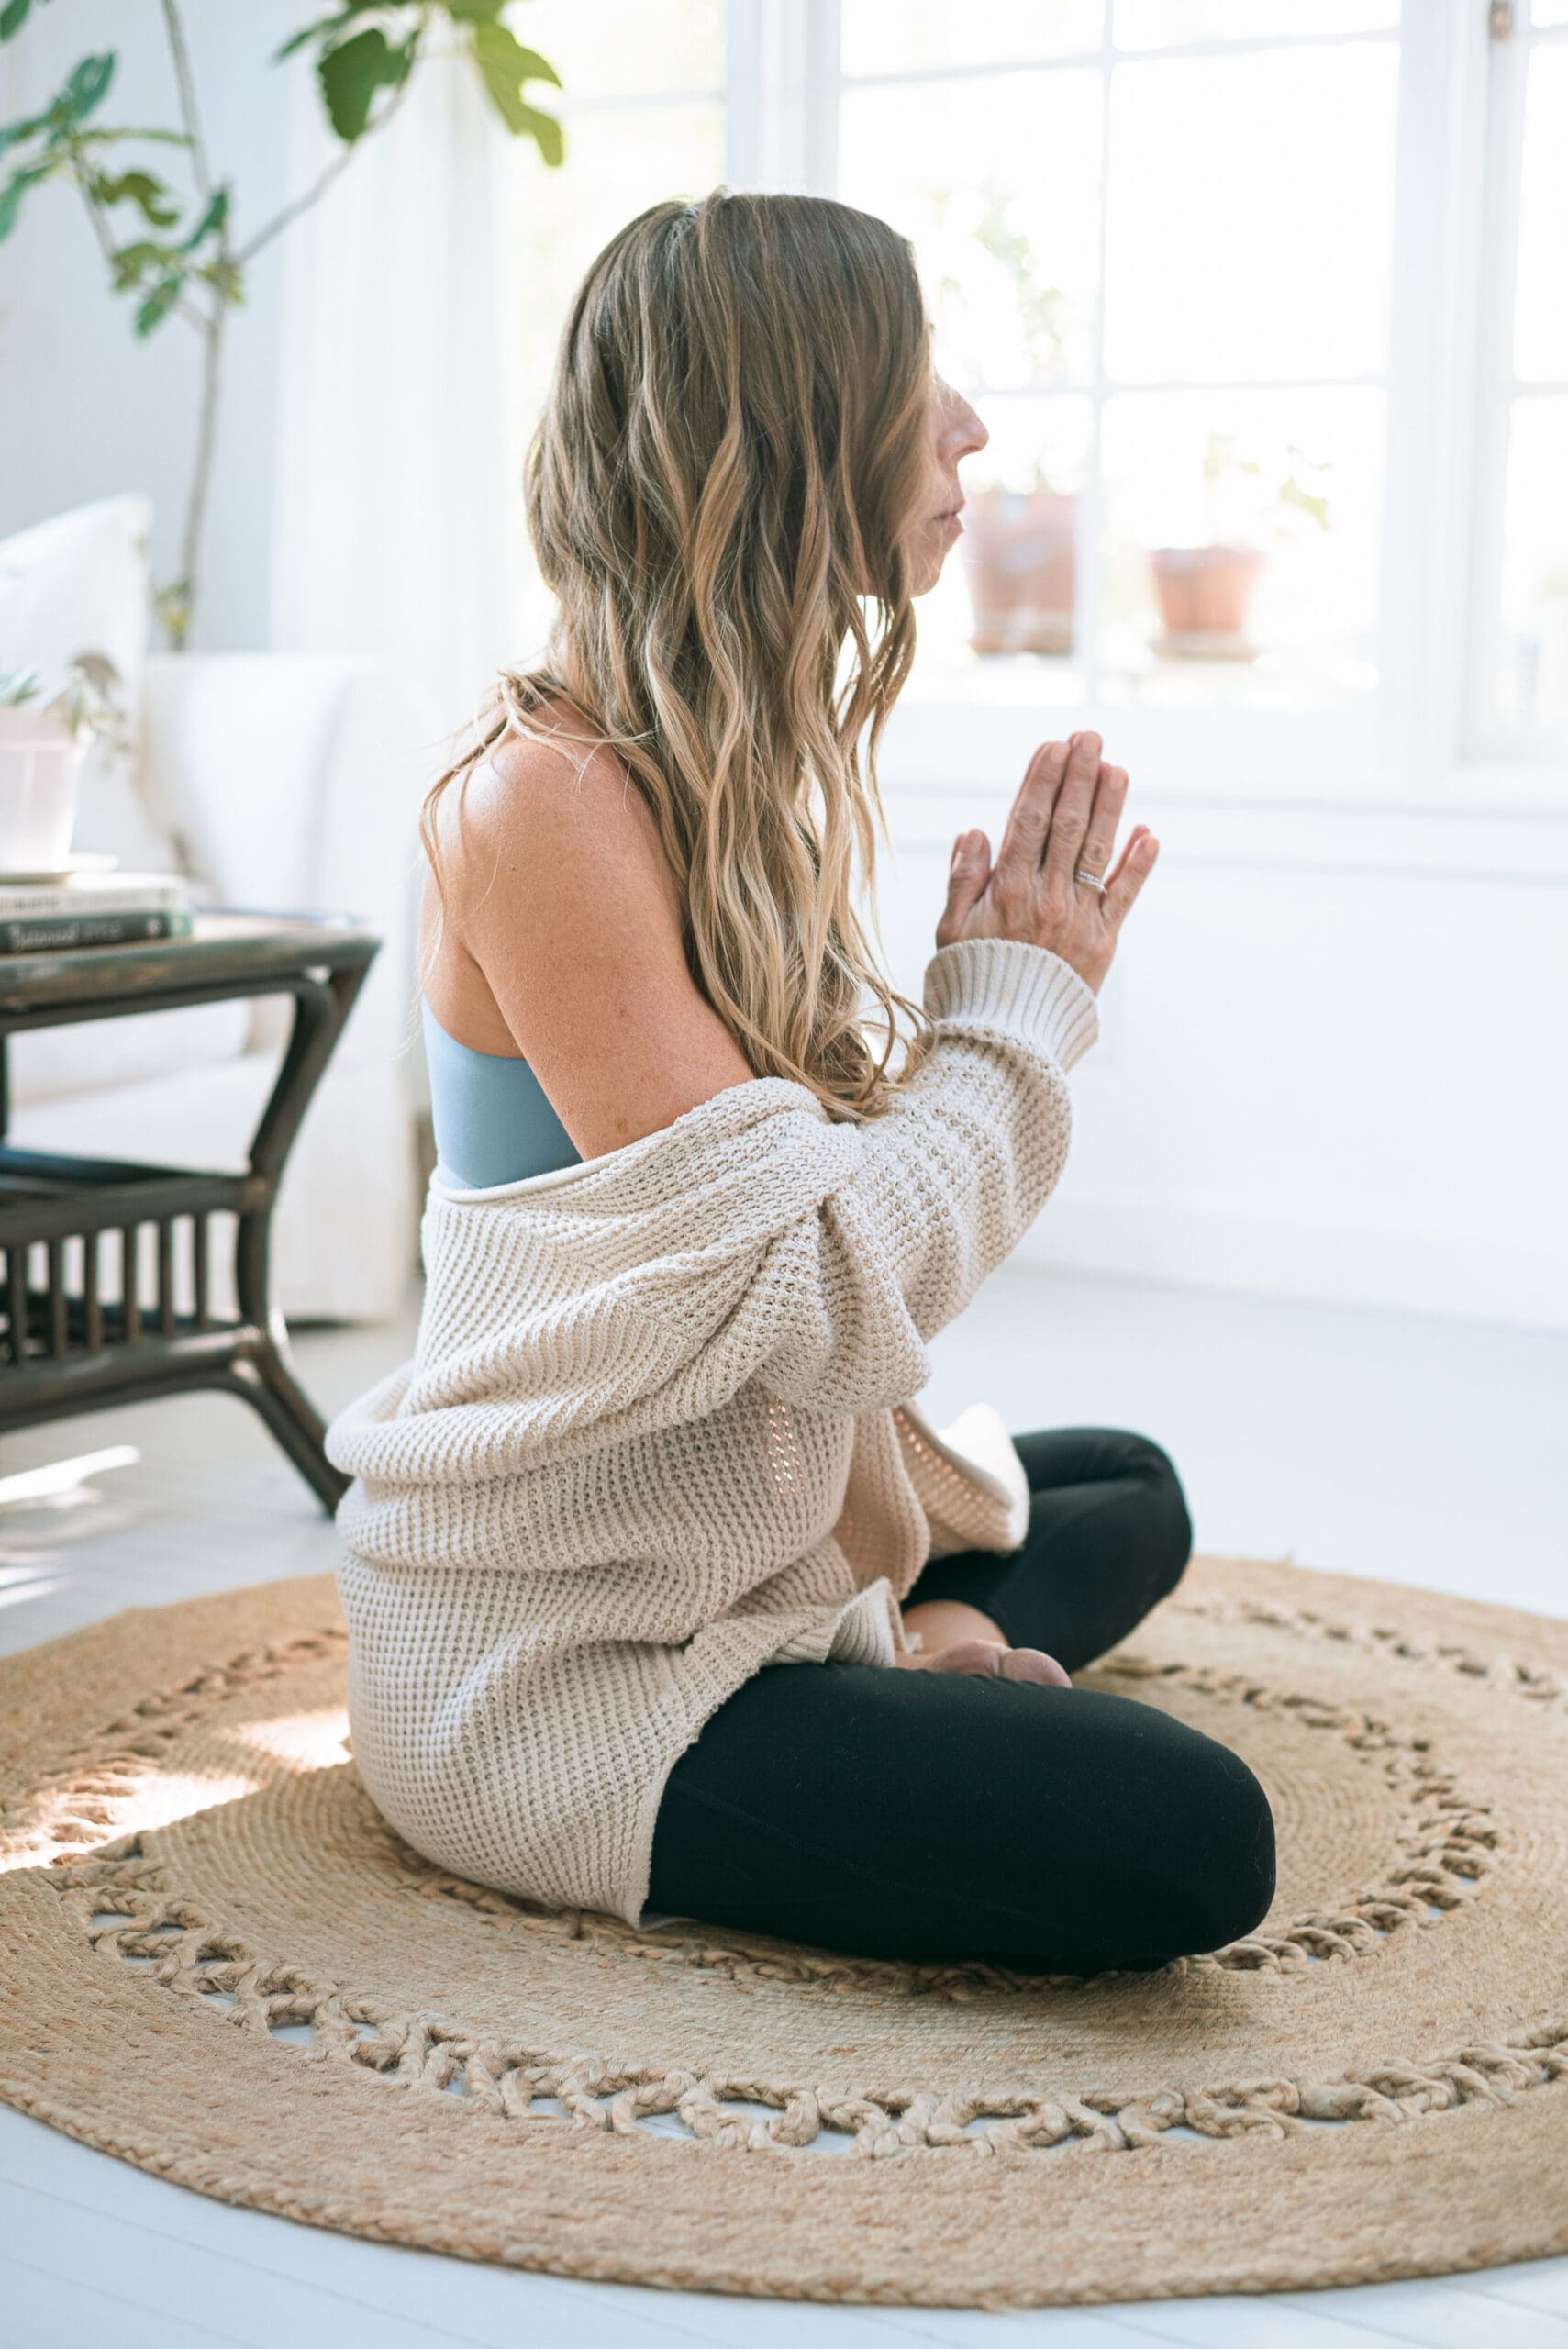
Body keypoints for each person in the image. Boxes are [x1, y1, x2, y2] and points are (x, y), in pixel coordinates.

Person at [327, 189, 1275, 1976]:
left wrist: (893, 1603)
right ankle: (880, 1655)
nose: (970, 426)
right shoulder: (541, 798)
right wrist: (1015, 1017)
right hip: (557, 1652)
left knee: (1120, 1487)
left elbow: (805, 1270)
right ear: (778, 438)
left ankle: (883, 1639)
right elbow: (818, 1292)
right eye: (918, 380)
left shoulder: (713, 767)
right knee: (1194, 1834)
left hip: (727, 1526)